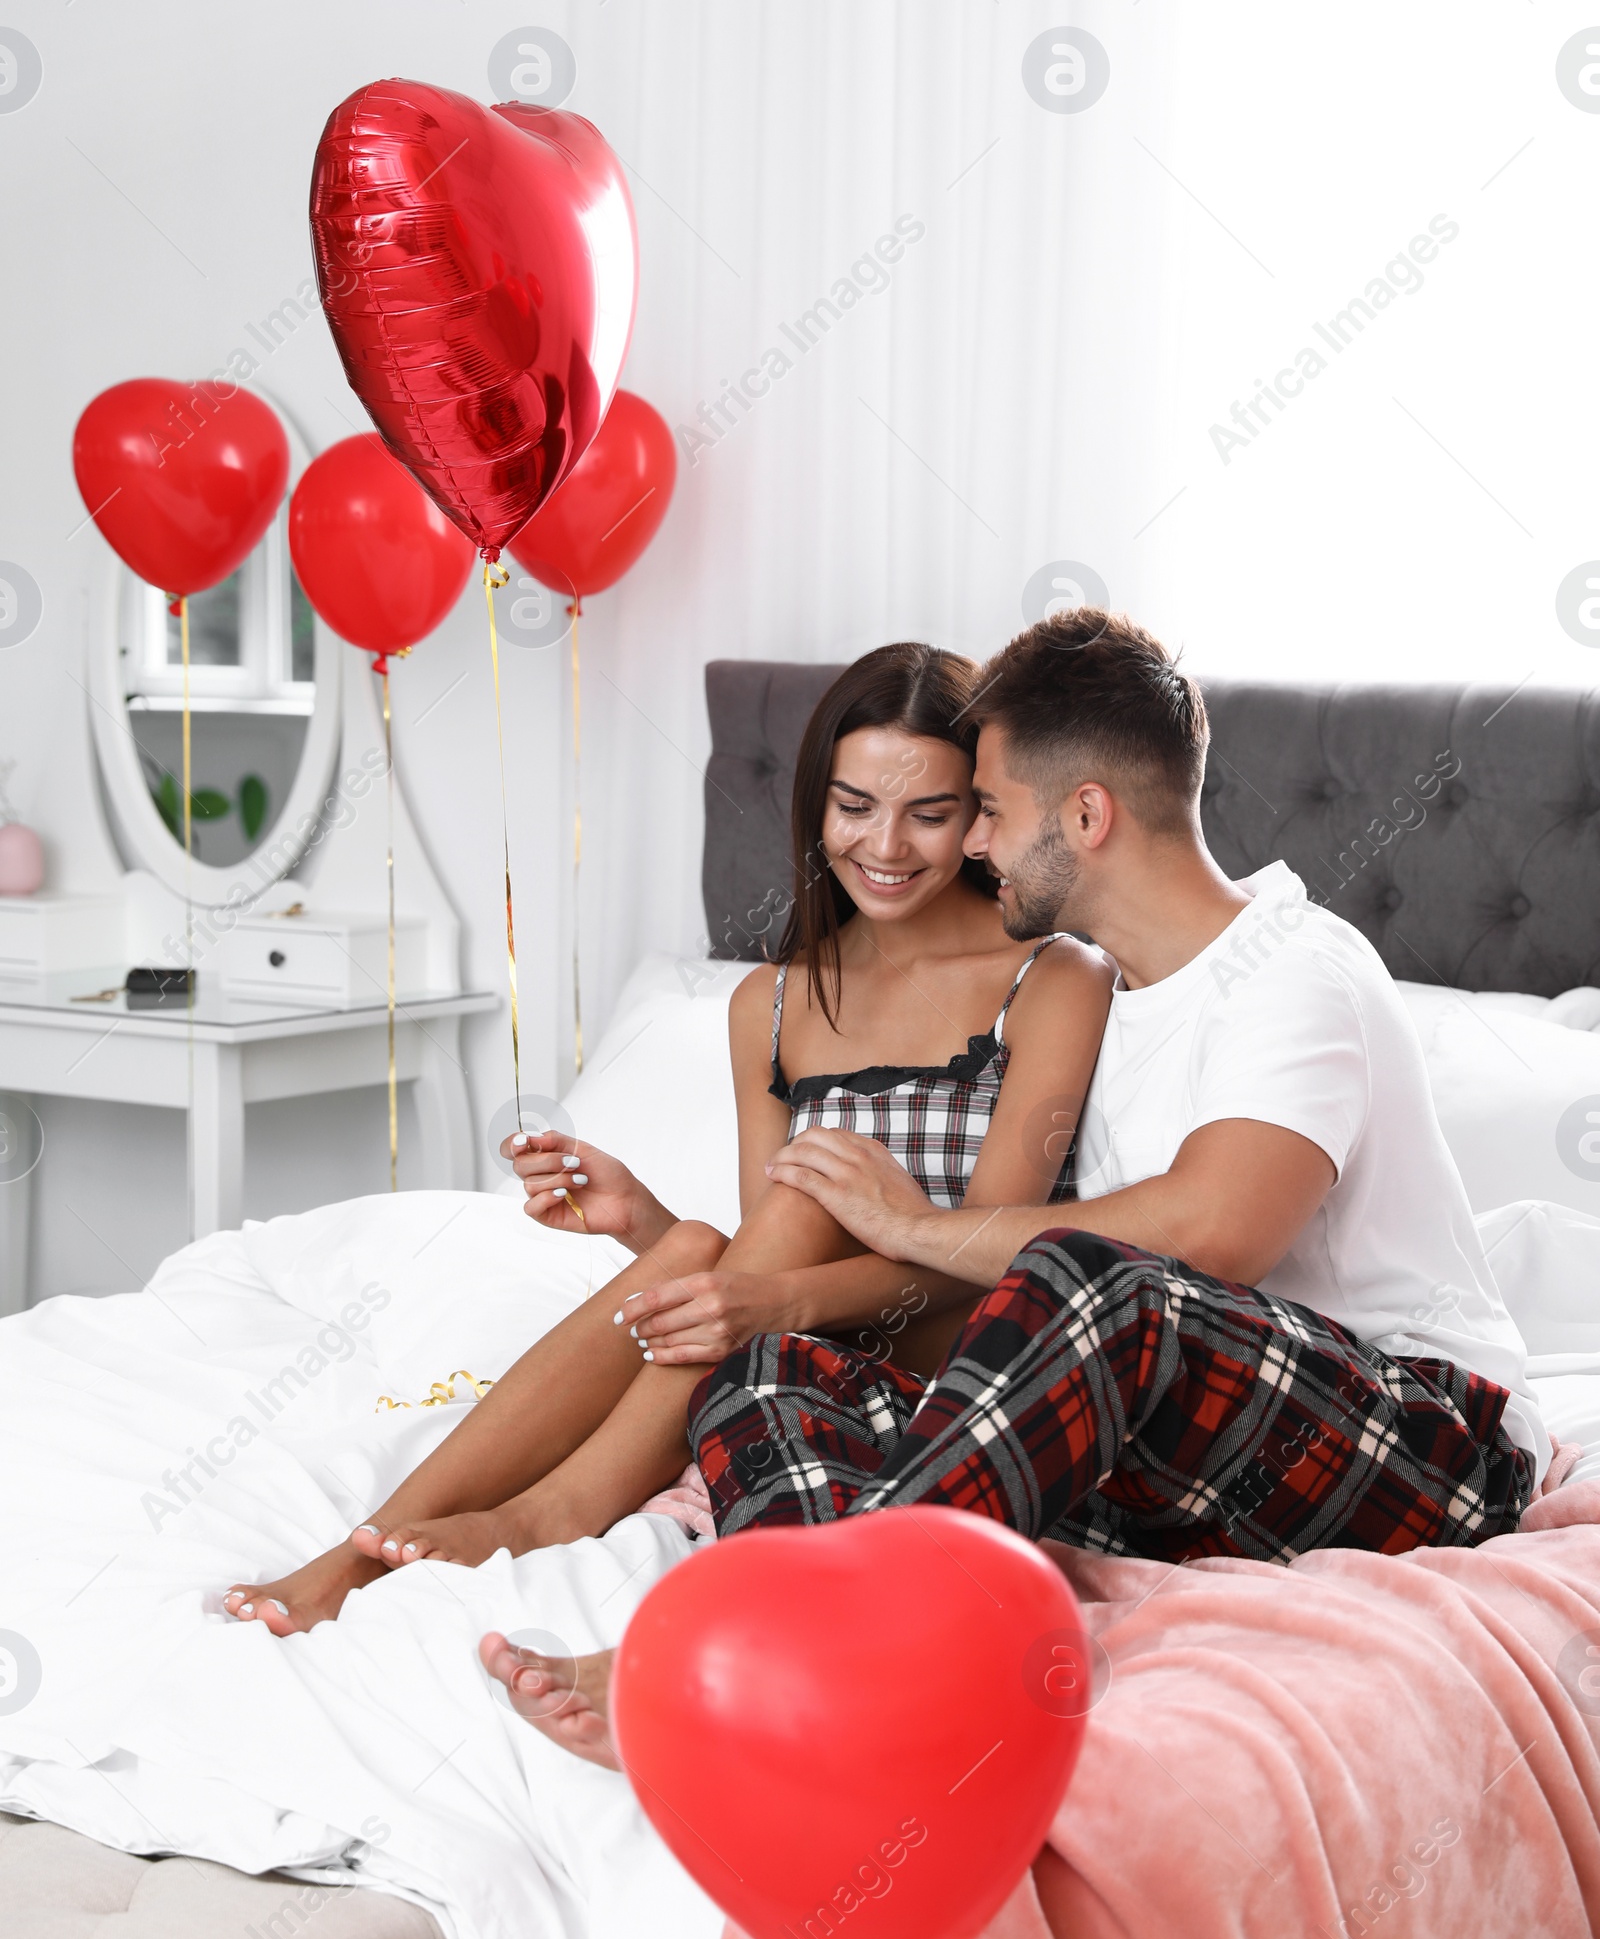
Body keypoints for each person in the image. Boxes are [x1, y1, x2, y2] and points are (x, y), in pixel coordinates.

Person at [486, 606, 1546, 1759]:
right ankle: (844, 1663)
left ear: (1084, 817)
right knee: (779, 1374)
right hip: (1195, 1460)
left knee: (1098, 1278)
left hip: (1423, 1447)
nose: (970, 846)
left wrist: (911, 1221)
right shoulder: (1104, 1003)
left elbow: (1209, 1235)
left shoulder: (1290, 971)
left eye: (984, 810)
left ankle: (756, 1650)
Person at [223, 642, 1113, 1632]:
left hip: (949, 1354)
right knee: (695, 1244)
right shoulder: (769, 1003)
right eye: (854, 806)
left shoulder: (1053, 977)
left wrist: (777, 1293)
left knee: (799, 1197)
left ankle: (556, 1510)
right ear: (816, 803)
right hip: (793, 1341)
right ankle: (365, 1544)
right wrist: (642, 1222)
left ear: (979, 817)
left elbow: (995, 1257)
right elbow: (752, 1260)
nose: (886, 846)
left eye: (930, 814)